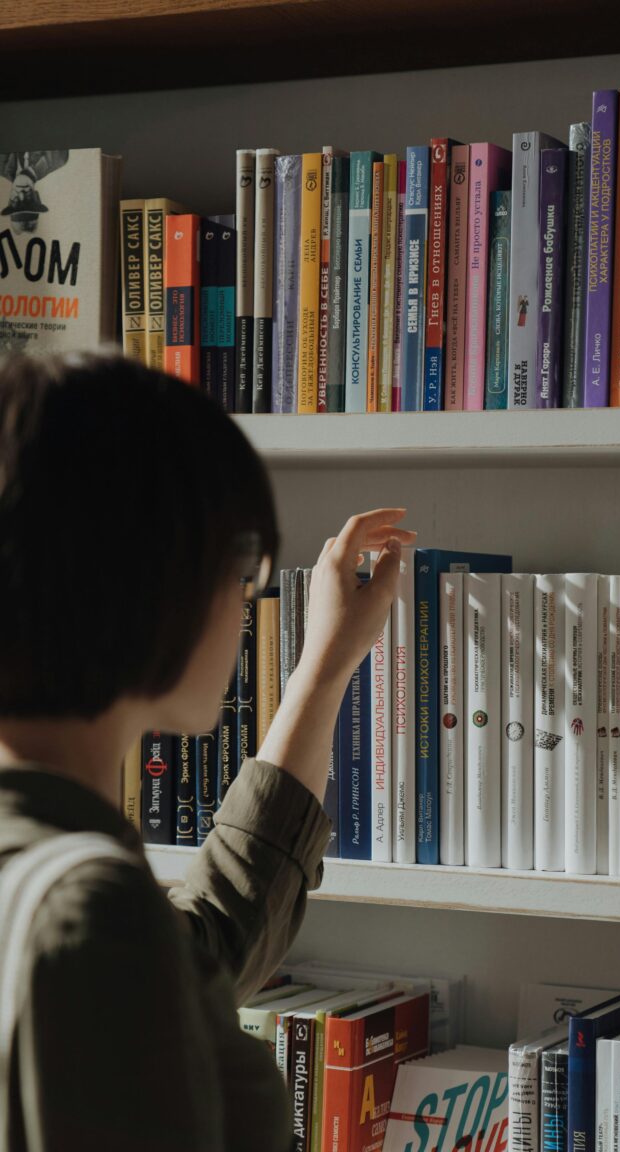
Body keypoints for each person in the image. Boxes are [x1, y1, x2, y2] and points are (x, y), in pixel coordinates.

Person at [0, 349, 416, 1152]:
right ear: (151, 581)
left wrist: (322, 672)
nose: (248, 600)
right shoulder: (90, 924)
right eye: (242, 566)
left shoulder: (60, 888)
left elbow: (204, 946)